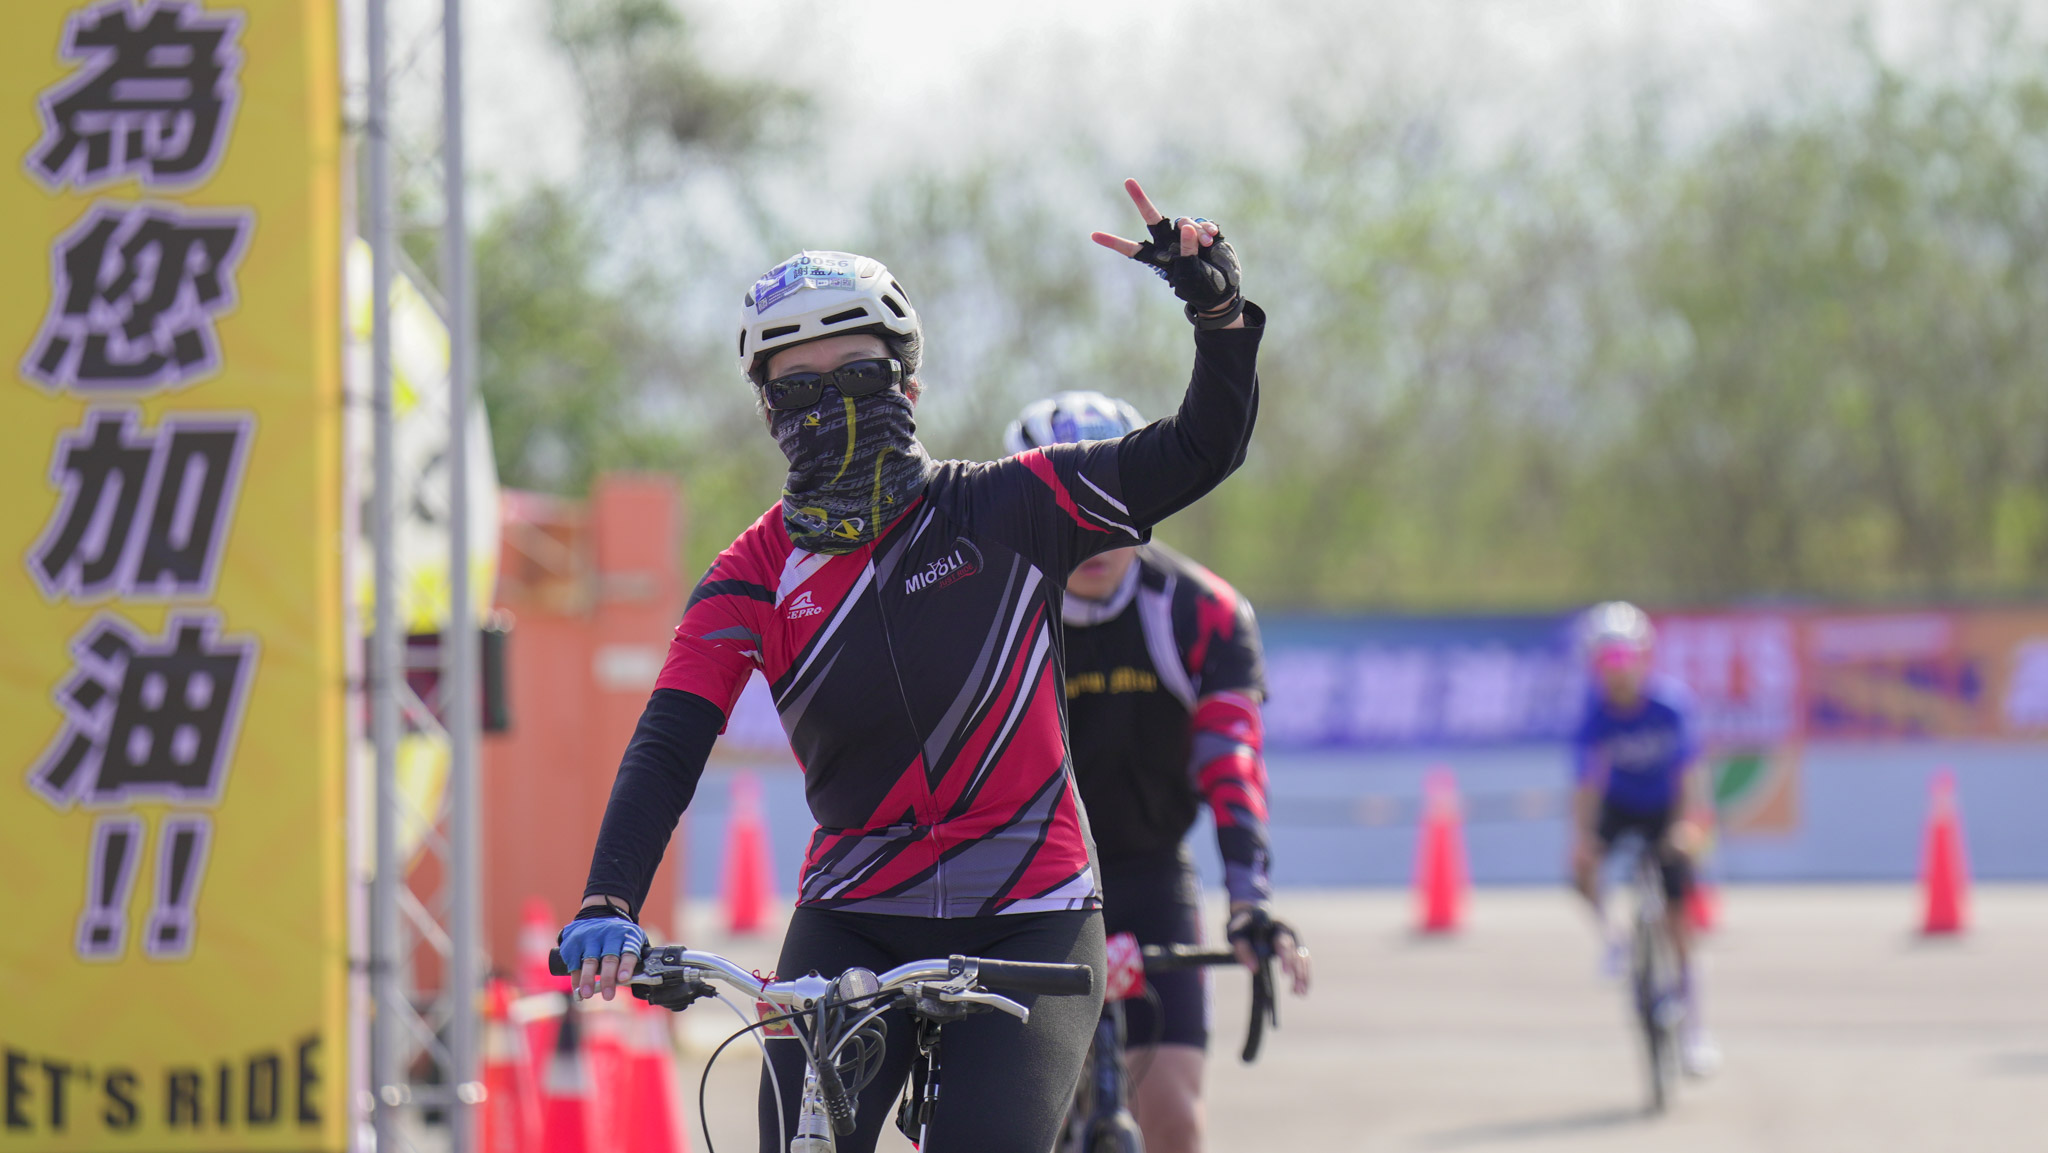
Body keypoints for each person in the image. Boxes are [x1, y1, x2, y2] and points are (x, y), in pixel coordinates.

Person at [555, 179, 1265, 1153]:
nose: (829, 406)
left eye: (856, 376)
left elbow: (1198, 448)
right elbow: (669, 740)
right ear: (767, 411)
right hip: (853, 911)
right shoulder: (752, 575)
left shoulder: (1015, 506)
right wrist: (609, 897)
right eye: (798, 389)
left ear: (909, 389)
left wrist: (1217, 317)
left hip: (1030, 906)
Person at [1003, 391, 1309, 1153]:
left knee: (1173, 1118)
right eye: (1072, 505)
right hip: (1020, 885)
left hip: (1148, 871)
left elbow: (1232, 763)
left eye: (1117, 501)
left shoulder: (1202, 611)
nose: (1097, 530)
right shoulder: (992, 612)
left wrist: (1250, 898)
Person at [1568, 600, 1720, 1077]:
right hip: (1620, 806)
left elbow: (1690, 774)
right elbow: (1587, 786)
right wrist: (1584, 839)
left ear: (1642, 656)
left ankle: (1694, 1032)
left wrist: (1689, 825)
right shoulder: (1593, 717)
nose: (1615, 670)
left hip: (1664, 809)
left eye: (1622, 657)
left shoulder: (1670, 707)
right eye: (1604, 660)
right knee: (1581, 867)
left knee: (1679, 924)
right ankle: (1614, 941)